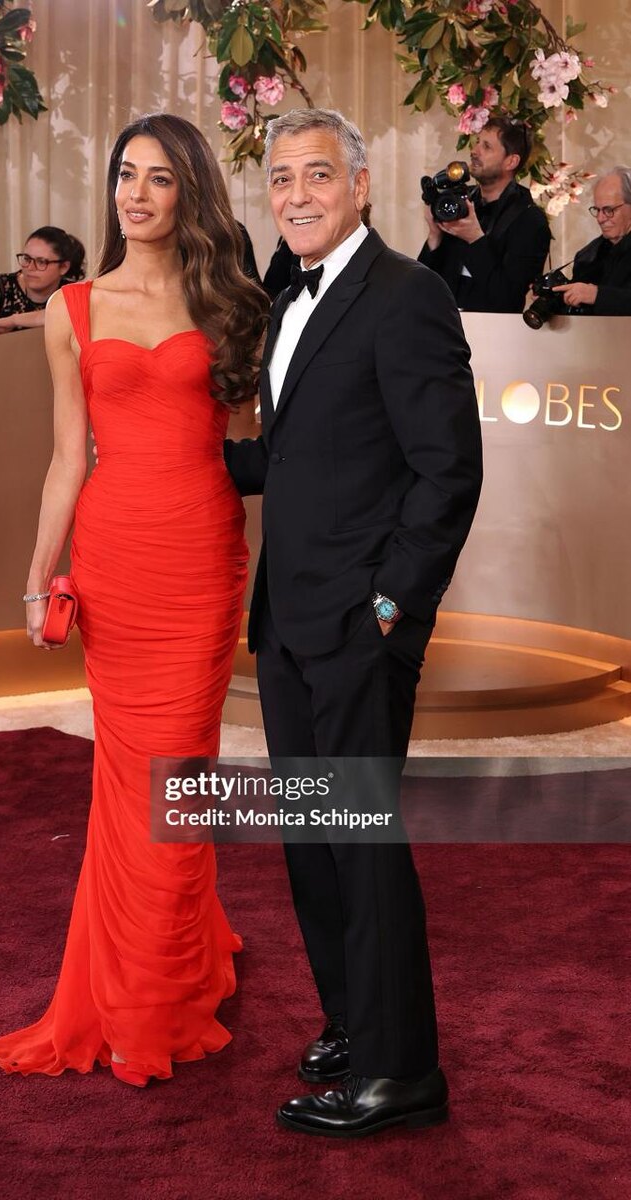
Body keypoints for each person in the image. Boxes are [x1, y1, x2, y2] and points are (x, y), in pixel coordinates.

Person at [0, 114, 269, 1086]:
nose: (136, 194)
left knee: (175, 777)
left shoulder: (229, 301)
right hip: (114, 563)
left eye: (158, 178)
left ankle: (156, 998)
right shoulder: (74, 309)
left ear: (190, 192)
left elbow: (258, 437)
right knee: (127, 780)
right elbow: (68, 459)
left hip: (200, 561)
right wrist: (38, 579)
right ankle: (146, 972)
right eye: (125, 175)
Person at [224, 108, 483, 1138]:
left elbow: (448, 470)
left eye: (318, 174)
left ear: (362, 185)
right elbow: (296, 454)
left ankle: (400, 1072)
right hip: (289, 620)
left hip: (359, 626)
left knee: (360, 844)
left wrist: (390, 604)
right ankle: (351, 1020)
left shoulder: (407, 295)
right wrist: (178, 453)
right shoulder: (291, 296)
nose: (297, 194)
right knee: (312, 842)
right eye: (282, 177)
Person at [418, 116, 551, 312]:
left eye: (486, 146)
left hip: (492, 328)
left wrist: (475, 240)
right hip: (444, 324)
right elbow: (422, 287)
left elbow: (508, 299)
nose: (474, 151)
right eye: (477, 142)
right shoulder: (460, 204)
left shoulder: (530, 220)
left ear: (511, 161)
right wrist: (434, 236)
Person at [0, 226, 86, 341]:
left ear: (63, 267)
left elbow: (60, 315)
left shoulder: (72, 292)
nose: (30, 267)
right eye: (27, 259)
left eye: (41, 262)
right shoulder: (1, 285)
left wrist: (13, 320)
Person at [552, 167, 631, 315]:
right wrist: (555, 298)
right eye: (597, 210)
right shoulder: (587, 256)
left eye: (609, 210)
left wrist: (597, 295)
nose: (600, 219)